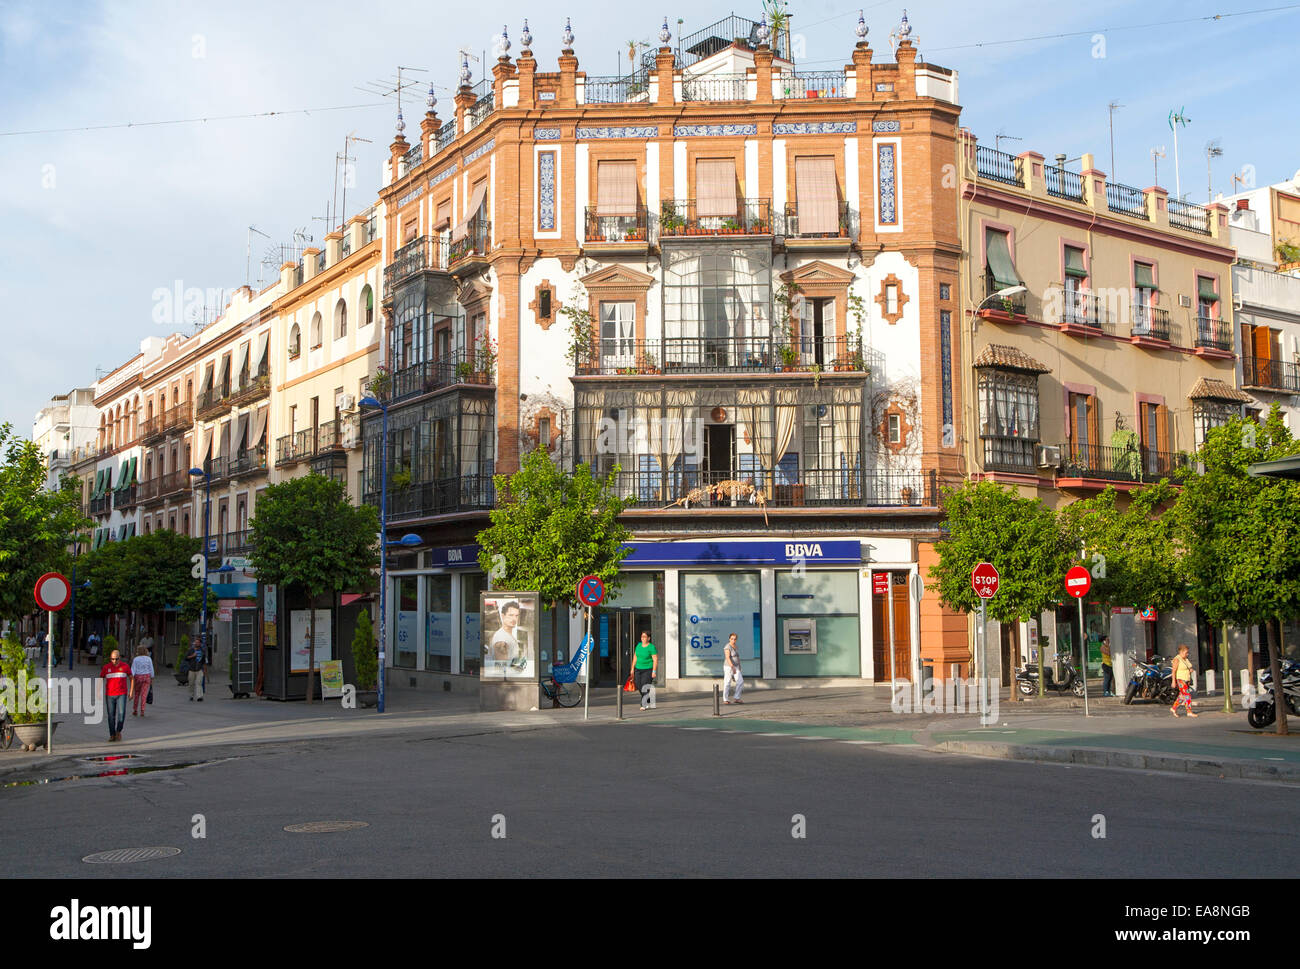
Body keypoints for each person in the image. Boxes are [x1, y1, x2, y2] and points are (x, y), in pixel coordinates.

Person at [100, 648, 131, 741]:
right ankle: (112, 734)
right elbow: (100, 678)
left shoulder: (125, 667)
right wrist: (98, 691)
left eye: (116, 659)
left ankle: (118, 731)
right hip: (110, 695)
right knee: (111, 715)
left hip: (122, 694)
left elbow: (131, 678)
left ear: (119, 658)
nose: (114, 661)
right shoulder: (106, 667)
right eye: (112, 659)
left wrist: (131, 691)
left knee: (121, 714)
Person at [489, 600, 523, 671]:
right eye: (510, 615)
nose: (514, 619)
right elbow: (502, 668)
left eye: (516, 616)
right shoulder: (501, 638)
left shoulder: (507, 635)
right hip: (506, 679)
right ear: (503, 616)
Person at [633, 630, 658, 710]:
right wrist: (632, 668)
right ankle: (649, 699)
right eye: (642, 636)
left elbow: (655, 659)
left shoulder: (651, 647)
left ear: (649, 638)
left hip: (648, 669)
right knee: (638, 685)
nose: (642, 638)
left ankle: (643, 704)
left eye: (644, 637)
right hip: (638, 668)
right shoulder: (638, 646)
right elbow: (635, 657)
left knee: (645, 686)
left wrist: (654, 671)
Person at [1171, 644, 1198, 718]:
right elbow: (1173, 671)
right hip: (1180, 679)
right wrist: (1173, 681)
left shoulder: (1185, 659)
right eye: (1186, 652)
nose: (1187, 654)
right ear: (1181, 652)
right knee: (1187, 695)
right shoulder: (1177, 659)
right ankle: (1189, 711)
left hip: (1186, 679)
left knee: (1181, 696)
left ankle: (1173, 708)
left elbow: (1188, 667)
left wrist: (1190, 670)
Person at [130, 644, 154, 718]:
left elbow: (133, 669)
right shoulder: (148, 659)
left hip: (138, 677)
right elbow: (151, 669)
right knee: (144, 694)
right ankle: (142, 710)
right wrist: (152, 677)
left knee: (137, 693)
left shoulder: (136, 659)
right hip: (147, 677)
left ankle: (135, 710)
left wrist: (131, 678)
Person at [722, 632, 744, 705]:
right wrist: (732, 667)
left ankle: (737, 698)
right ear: (729, 639)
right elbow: (727, 658)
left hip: (736, 666)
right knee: (727, 682)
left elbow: (737, 657)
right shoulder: (727, 646)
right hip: (729, 666)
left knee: (740, 681)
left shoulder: (735, 646)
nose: (733, 640)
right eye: (732, 639)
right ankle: (725, 699)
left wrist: (739, 666)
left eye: (734, 639)